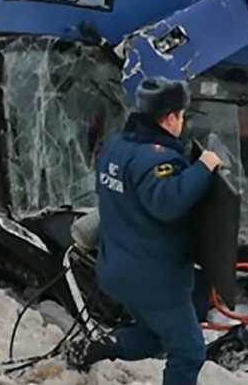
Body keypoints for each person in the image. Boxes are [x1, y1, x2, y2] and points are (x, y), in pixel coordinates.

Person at [65, 77, 221, 385]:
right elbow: (167, 202)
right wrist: (204, 167)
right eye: (182, 115)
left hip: (117, 270)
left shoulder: (117, 146)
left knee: (158, 334)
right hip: (155, 278)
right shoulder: (156, 158)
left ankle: (106, 345)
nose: (183, 121)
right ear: (171, 117)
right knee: (189, 351)